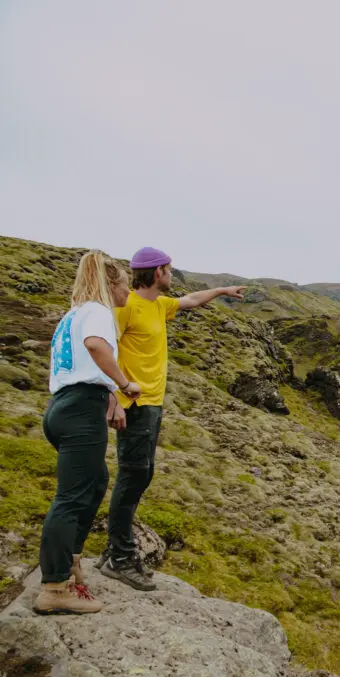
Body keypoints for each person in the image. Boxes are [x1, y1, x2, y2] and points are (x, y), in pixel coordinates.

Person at [99, 247, 244, 590]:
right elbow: (103, 350)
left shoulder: (160, 305)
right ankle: (119, 557)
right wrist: (113, 399)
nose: (171, 275)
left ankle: (116, 549)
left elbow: (192, 300)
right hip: (133, 405)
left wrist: (222, 291)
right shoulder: (126, 307)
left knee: (142, 474)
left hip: (152, 404)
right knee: (132, 476)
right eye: (169, 270)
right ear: (158, 272)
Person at [35, 251, 141, 615]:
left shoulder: (72, 315)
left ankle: (71, 562)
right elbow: (96, 347)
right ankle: (54, 586)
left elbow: (78, 362)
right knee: (71, 497)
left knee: (96, 481)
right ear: (113, 285)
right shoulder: (98, 310)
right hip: (81, 412)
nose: (128, 292)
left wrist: (107, 395)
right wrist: (124, 384)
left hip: (63, 407)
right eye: (125, 285)